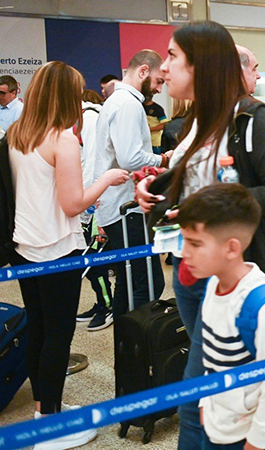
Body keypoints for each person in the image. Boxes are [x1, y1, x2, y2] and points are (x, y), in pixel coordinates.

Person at [135, 21, 265, 449]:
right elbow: (187, 191)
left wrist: (211, 204)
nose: (164, 68)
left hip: (237, 278)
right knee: (206, 394)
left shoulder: (251, 118)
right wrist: (156, 192)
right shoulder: (195, 124)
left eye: (173, 57)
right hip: (194, 278)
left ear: (201, 65)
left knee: (231, 395)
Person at [6, 61, 129, 449]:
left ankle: (46, 408)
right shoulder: (62, 139)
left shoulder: (16, 134)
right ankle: (50, 422)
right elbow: (73, 203)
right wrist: (107, 179)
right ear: (65, 95)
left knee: (39, 328)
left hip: (24, 248)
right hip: (57, 249)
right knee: (57, 334)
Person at [177, 183, 265, 450]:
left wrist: (257, 442)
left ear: (232, 248)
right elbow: (210, 356)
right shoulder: (212, 286)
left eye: (195, 244)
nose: (185, 253)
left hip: (258, 437)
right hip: (219, 426)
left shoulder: (262, 306)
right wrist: (205, 404)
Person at [94, 49, 168, 322]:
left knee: (128, 284)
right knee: (147, 284)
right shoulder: (128, 104)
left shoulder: (118, 101)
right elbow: (130, 158)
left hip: (120, 207)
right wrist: (163, 159)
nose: (160, 89)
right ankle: (139, 353)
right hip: (127, 210)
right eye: (159, 81)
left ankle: (128, 357)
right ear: (144, 71)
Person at [76, 89, 115, 331]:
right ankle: (101, 301)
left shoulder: (88, 119)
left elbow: (91, 165)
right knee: (91, 263)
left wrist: (87, 209)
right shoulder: (81, 120)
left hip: (94, 204)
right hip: (89, 203)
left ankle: (107, 306)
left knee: (95, 262)